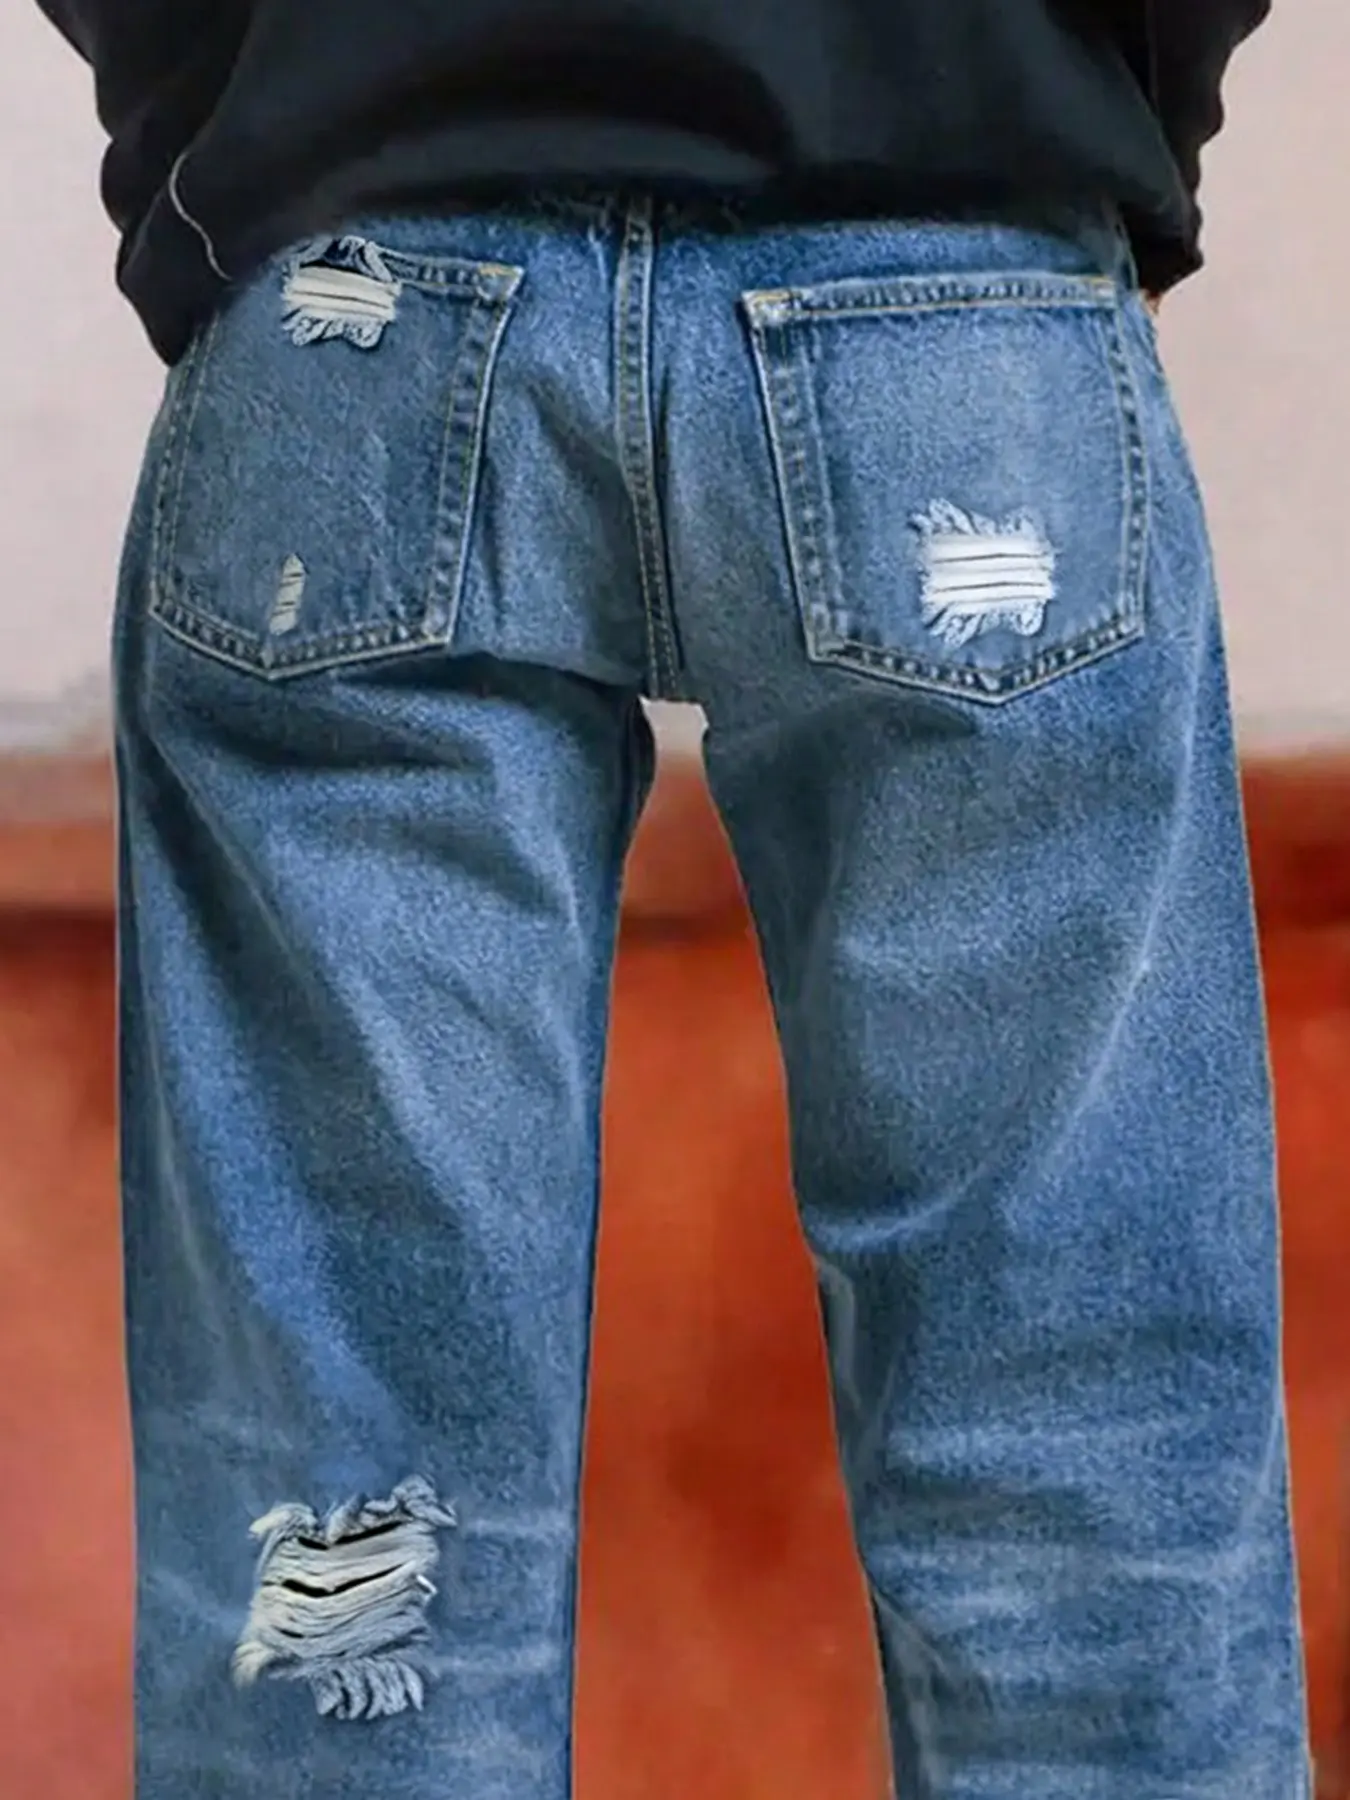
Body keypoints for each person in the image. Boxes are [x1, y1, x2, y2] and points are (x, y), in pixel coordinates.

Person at [36, 1, 1308, 1795]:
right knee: (1081, 1474)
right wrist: (1087, 109)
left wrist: (232, 128)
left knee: (350, 1537)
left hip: (359, 315)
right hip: (958, 285)